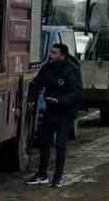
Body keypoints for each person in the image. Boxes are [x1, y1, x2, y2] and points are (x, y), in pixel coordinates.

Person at [26, 41, 83, 188]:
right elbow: (36, 84)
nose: (50, 55)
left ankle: (58, 177)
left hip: (66, 112)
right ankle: (42, 175)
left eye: (54, 53)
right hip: (51, 110)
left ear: (62, 56)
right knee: (43, 141)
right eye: (50, 52)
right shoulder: (47, 68)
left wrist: (60, 100)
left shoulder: (71, 70)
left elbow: (76, 93)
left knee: (60, 144)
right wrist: (31, 99)